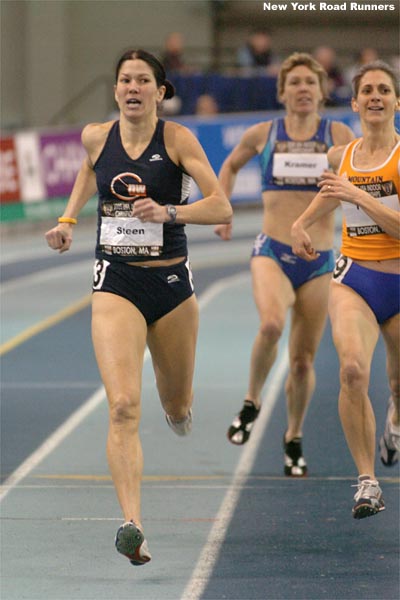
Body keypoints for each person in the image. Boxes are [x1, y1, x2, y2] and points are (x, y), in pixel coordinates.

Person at [45, 48, 232, 565]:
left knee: (175, 405)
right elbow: (89, 169)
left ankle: (179, 408)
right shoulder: (94, 136)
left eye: (143, 80)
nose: (133, 87)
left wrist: (169, 210)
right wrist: (67, 219)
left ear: (160, 91)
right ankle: (133, 524)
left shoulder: (177, 141)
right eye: (125, 79)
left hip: (170, 285)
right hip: (116, 281)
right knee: (124, 405)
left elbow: (221, 205)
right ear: (116, 90)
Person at [214, 52, 354, 477]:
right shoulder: (263, 133)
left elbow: (356, 179)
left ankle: (293, 436)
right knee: (271, 324)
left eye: (310, 83)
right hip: (273, 251)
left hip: (318, 260)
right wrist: (223, 208)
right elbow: (230, 165)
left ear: (322, 91)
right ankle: (252, 401)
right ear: (283, 92)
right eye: (294, 83)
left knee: (302, 362)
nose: (303, 90)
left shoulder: (339, 134)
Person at [291, 60, 399, 518]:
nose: (375, 96)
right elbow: (333, 190)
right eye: (367, 91)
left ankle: (394, 418)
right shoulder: (343, 156)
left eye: (384, 90)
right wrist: (302, 222)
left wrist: (361, 197)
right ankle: (367, 481)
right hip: (354, 276)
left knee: (397, 383)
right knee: (352, 370)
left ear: (396, 102)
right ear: (354, 103)